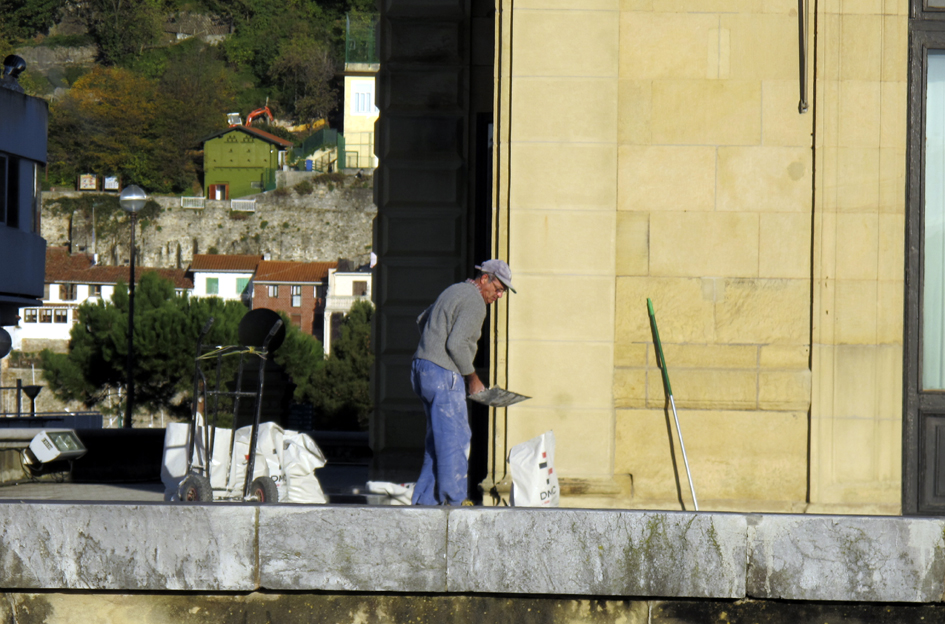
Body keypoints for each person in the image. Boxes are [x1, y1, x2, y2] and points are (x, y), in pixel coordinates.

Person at [411, 260, 516, 505]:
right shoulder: (476, 302)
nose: (499, 295)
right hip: (443, 373)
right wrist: (472, 379)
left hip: (421, 368)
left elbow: (422, 319)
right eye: (498, 288)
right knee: (455, 435)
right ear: (484, 279)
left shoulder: (453, 290)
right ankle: (454, 500)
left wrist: (431, 350)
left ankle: (425, 501)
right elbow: (456, 344)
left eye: (503, 292)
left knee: (436, 439)